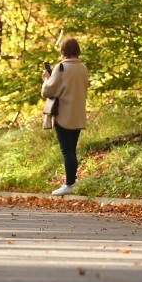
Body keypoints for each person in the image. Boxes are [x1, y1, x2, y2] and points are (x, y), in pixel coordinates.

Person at [41, 37, 88, 196]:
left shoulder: (60, 67)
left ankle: (69, 184)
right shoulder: (83, 68)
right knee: (72, 149)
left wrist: (46, 78)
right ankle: (71, 182)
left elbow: (47, 91)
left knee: (67, 150)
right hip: (78, 114)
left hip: (63, 114)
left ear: (63, 52)